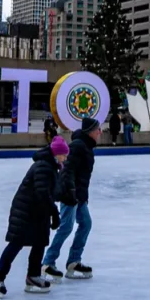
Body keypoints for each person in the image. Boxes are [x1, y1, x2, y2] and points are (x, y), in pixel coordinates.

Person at [0, 136, 68, 297]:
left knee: (40, 242)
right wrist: (54, 213)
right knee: (16, 243)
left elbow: (52, 191)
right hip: (26, 210)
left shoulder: (51, 166)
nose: (66, 157)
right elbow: (42, 193)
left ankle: (33, 276)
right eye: (64, 154)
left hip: (38, 211)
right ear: (57, 153)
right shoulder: (44, 166)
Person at [42, 117, 100, 282]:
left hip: (79, 196)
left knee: (86, 224)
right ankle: (48, 262)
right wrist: (71, 192)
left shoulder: (86, 146)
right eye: (98, 129)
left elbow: (82, 176)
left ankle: (74, 261)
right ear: (90, 132)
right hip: (70, 194)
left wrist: (83, 196)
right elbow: (67, 170)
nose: (100, 132)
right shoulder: (77, 146)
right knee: (66, 227)